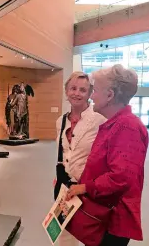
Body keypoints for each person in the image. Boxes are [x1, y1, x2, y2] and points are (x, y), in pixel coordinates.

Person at [66, 65, 149, 246]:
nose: (91, 96)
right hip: (102, 214)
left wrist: (85, 187)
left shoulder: (127, 127)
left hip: (112, 219)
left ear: (110, 95)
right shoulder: (115, 124)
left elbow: (122, 177)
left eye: (94, 90)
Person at [55, 71, 106, 246]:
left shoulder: (100, 120)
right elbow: (63, 152)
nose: (77, 93)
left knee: (90, 235)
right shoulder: (60, 121)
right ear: (66, 91)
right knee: (63, 235)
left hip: (88, 189)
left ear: (90, 93)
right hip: (66, 188)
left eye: (83, 90)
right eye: (73, 88)